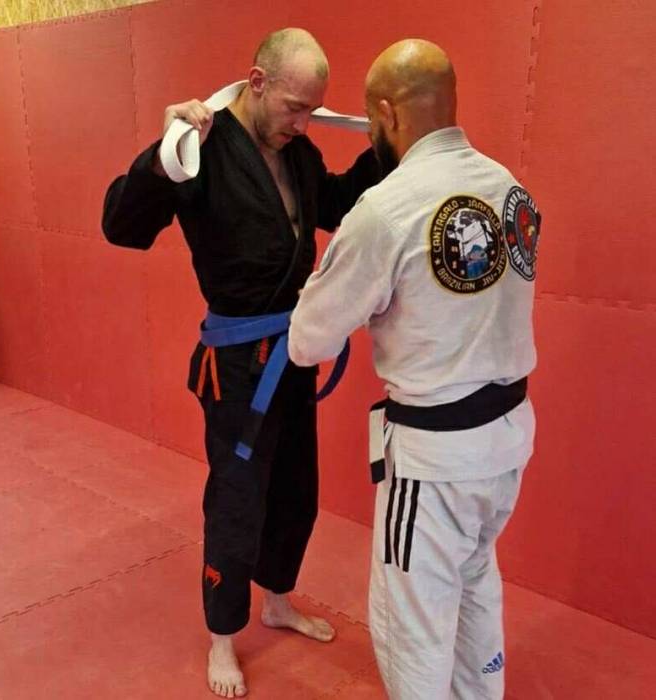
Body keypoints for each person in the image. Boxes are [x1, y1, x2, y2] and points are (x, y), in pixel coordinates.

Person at [102, 28, 380, 699]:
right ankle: (223, 636)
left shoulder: (298, 151)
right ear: (257, 82)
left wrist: (388, 146)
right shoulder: (202, 148)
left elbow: (335, 205)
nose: (303, 122)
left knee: (295, 488)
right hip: (236, 366)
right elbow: (122, 227)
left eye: (312, 109)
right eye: (294, 107)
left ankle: (277, 601)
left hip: (295, 353)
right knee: (237, 497)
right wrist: (161, 158)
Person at [289, 39, 540, 700]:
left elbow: (308, 341)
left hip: (435, 461)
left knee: (413, 624)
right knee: (475, 578)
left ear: (385, 113)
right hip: (508, 441)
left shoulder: (385, 210)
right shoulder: (511, 190)